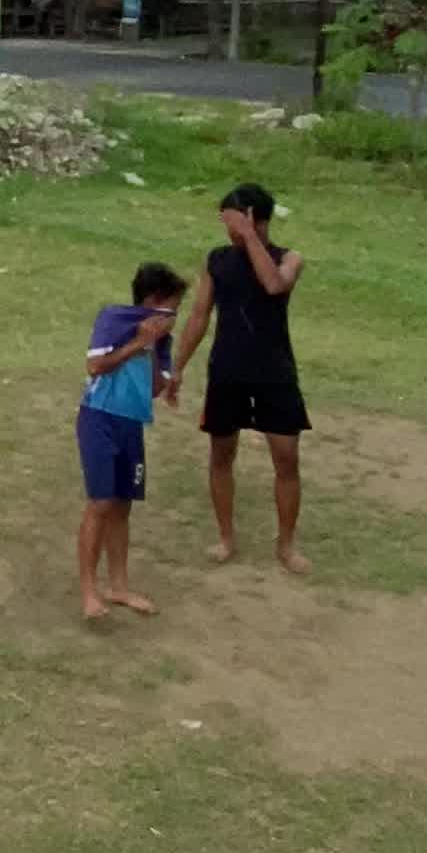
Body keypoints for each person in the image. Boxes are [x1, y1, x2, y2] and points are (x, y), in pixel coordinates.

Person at [171, 181, 311, 576]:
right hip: (227, 370)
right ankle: (227, 536)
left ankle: (286, 544)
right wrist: (179, 366)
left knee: (286, 459)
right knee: (221, 455)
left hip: (275, 373)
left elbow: (273, 285)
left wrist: (250, 237)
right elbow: (199, 315)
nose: (227, 230)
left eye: (232, 221)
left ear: (254, 219)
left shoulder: (289, 258)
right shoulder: (217, 260)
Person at [75, 263, 186, 623]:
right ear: (153, 302)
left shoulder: (162, 341)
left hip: (131, 424)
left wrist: (152, 349)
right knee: (101, 503)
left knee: (123, 505)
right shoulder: (113, 319)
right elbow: (95, 366)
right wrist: (137, 342)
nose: (175, 318)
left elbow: (155, 389)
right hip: (99, 418)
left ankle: (118, 586)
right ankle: (90, 591)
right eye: (173, 309)